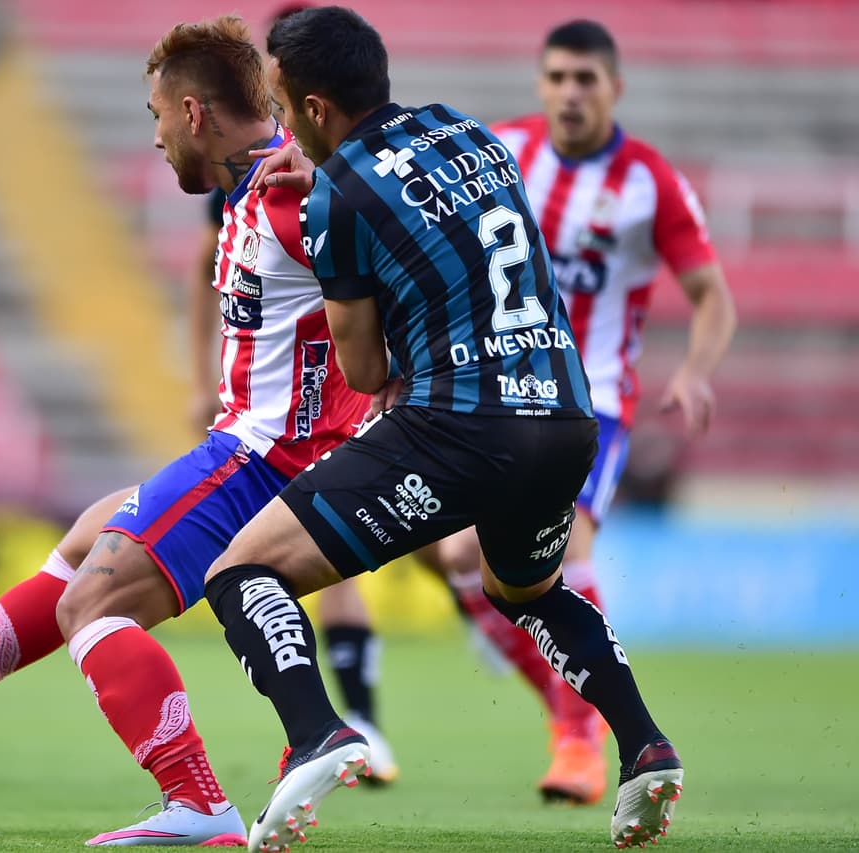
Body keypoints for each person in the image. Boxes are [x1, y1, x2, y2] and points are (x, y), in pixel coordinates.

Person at [0, 15, 372, 848]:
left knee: (93, 604)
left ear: (193, 113)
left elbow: (383, 269)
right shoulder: (256, 185)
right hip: (256, 448)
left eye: (156, 116)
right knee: (86, 541)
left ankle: (198, 804)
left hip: (268, 461)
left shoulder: (291, 193)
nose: (153, 139)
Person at [201, 7, 683, 851]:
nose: (277, 122)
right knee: (524, 589)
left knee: (241, 571)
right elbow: (438, 214)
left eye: (283, 102)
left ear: (315, 107)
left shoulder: (337, 197)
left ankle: (320, 732)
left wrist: (330, 209)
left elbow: (361, 374)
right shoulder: (465, 129)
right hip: (567, 414)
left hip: (459, 423)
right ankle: (644, 743)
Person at [312, 17, 736, 807]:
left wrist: (697, 370)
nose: (570, 94)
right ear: (541, 86)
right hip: (489, 389)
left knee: (562, 554)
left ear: (615, 87)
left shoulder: (649, 182)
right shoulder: (499, 150)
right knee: (459, 563)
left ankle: (589, 738)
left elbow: (713, 295)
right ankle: (565, 712)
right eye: (557, 78)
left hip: (592, 398)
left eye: (586, 79)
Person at [186, 0, 400, 787]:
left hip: (336, 404)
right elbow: (210, 274)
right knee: (290, 563)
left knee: (269, 566)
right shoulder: (250, 173)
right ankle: (336, 725)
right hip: (289, 403)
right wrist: (199, 374)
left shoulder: (326, 174)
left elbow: (376, 269)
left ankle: (337, 725)